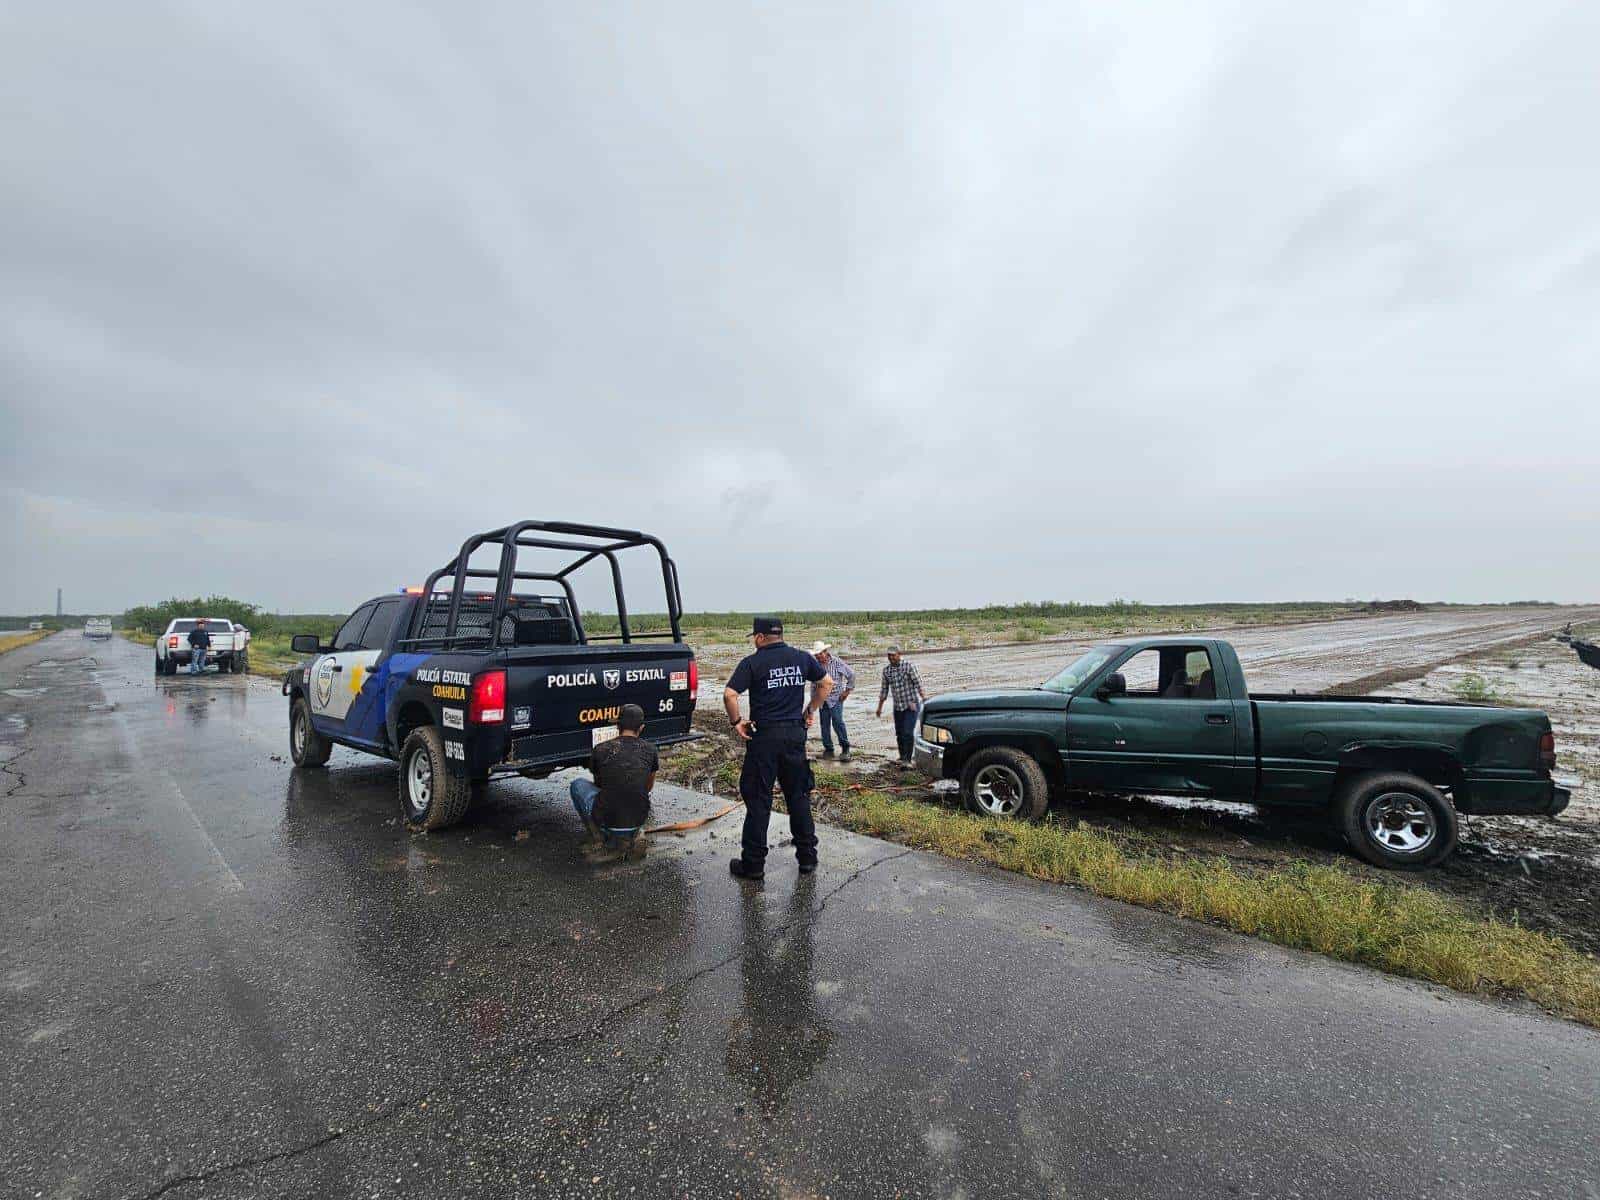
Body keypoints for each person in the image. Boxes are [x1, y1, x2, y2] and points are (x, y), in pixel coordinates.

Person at [724, 616, 832, 880]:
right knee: (798, 796)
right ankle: (807, 858)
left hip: (764, 738)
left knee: (759, 800)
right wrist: (810, 709)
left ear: (760, 637)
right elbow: (826, 683)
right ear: (780, 635)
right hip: (794, 735)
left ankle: (753, 865)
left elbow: (729, 694)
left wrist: (737, 722)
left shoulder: (752, 662)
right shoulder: (802, 658)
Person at [569, 703, 656, 860]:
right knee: (636, 793)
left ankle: (600, 836)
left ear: (617, 726)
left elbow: (599, 783)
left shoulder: (601, 749)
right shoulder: (651, 750)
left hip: (608, 819)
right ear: (641, 727)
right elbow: (648, 786)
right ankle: (634, 834)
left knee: (577, 785)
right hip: (638, 818)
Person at [876, 645, 926, 765]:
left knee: (908, 732)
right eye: (889, 655)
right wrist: (879, 708)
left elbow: (918, 683)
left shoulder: (908, 666)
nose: (891, 657)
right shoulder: (887, 671)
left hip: (911, 705)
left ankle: (908, 759)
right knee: (899, 733)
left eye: (893, 655)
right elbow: (884, 691)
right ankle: (902, 756)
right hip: (898, 706)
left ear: (899, 654)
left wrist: (924, 698)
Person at [809, 640, 855, 761]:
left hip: (836, 698)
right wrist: (813, 704)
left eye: (820, 654)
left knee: (838, 722)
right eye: (816, 655)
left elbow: (851, 675)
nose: (818, 656)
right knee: (824, 725)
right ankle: (829, 750)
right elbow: (813, 685)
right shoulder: (815, 665)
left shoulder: (836, 662)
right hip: (821, 700)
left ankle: (845, 749)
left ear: (825, 652)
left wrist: (847, 691)